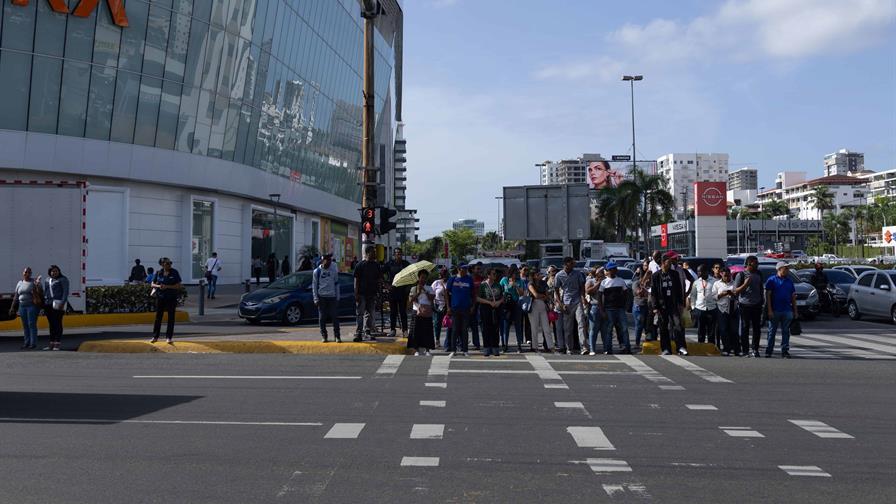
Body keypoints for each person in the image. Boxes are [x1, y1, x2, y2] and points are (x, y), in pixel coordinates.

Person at [650, 253, 688, 356]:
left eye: (670, 262)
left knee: (678, 326)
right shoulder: (656, 276)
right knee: (663, 327)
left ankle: (681, 347)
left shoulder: (674, 274)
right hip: (662, 306)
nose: (670, 264)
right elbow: (654, 293)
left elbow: (679, 289)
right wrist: (655, 307)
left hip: (673, 304)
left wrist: (681, 303)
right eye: (668, 262)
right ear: (662, 263)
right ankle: (666, 348)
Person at [555, 257, 589, 355]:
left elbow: (582, 287)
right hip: (566, 302)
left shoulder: (577, 273)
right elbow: (556, 290)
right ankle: (569, 347)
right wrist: (561, 304)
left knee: (581, 323)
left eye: (573, 264)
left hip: (577, 301)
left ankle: (584, 347)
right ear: (565, 265)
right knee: (568, 327)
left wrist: (583, 298)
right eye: (570, 264)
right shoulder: (559, 275)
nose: (572, 266)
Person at [733, 255, 764, 357]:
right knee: (745, 328)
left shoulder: (759, 274)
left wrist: (762, 301)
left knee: (757, 328)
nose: (757, 265)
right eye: (755, 263)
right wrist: (745, 285)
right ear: (749, 264)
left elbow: (760, 288)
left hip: (757, 305)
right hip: (744, 305)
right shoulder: (741, 275)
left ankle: (755, 349)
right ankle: (745, 350)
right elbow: (735, 291)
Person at [765, 262, 797, 359]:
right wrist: (769, 310)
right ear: (779, 269)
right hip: (775, 310)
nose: (787, 270)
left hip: (787, 310)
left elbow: (793, 296)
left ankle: (785, 351)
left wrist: (795, 311)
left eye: (787, 268)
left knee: (786, 332)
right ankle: (769, 350)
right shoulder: (771, 280)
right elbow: (768, 296)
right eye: (785, 268)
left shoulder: (789, 281)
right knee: (772, 332)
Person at [600, 262, 632, 354]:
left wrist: (626, 305)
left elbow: (626, 293)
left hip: (620, 308)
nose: (615, 270)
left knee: (624, 329)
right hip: (609, 309)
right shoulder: (604, 282)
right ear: (609, 271)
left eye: (616, 268)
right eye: (613, 269)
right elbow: (599, 295)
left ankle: (627, 348)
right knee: (609, 330)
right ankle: (608, 349)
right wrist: (602, 310)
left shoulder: (620, 280)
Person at [445, 264, 475, 356]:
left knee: (464, 329)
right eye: (463, 268)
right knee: (454, 329)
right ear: (458, 269)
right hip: (455, 308)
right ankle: (453, 350)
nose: (465, 270)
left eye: (466, 268)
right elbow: (446, 292)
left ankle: (465, 350)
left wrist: (473, 306)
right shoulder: (452, 279)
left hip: (466, 308)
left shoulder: (469, 279)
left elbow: (473, 294)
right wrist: (448, 307)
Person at [150, 258, 182, 344]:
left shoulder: (174, 272)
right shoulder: (158, 273)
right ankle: (155, 336)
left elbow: (178, 286)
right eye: (167, 263)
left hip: (171, 297)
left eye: (170, 263)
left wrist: (167, 286)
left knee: (171, 317)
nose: (169, 265)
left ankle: (169, 337)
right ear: (162, 264)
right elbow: (152, 284)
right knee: (158, 317)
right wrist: (158, 286)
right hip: (160, 297)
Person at [353, 246, 381, 342]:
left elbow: (378, 280)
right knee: (360, 313)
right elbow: (356, 280)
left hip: (372, 294)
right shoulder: (360, 265)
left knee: (370, 314)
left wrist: (379, 293)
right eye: (373, 252)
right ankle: (358, 333)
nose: (375, 254)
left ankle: (367, 332)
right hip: (361, 294)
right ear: (368, 253)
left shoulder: (376, 265)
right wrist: (356, 294)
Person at [313, 253, 341, 343]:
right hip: (322, 297)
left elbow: (337, 283)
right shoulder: (317, 272)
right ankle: (324, 336)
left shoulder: (333, 270)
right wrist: (315, 298)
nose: (329, 262)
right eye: (327, 260)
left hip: (332, 297)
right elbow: (314, 286)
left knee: (334, 317)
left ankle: (337, 336)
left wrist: (338, 297)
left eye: (330, 260)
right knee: (322, 318)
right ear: (322, 260)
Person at [688, 264, 718, 346]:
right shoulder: (696, 282)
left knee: (711, 331)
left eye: (700, 271)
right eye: (697, 271)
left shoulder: (714, 281)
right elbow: (693, 296)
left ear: (706, 271)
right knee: (701, 330)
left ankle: (711, 347)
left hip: (712, 308)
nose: (698, 273)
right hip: (700, 309)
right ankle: (700, 347)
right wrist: (693, 307)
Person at [477, 267, 504, 357]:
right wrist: (489, 302)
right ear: (488, 275)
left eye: (495, 274)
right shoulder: (483, 285)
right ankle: (487, 348)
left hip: (496, 309)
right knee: (486, 329)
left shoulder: (498, 285)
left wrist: (498, 302)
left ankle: (495, 348)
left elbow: (502, 296)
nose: (495, 275)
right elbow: (478, 298)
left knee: (495, 329)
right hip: (486, 308)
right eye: (493, 274)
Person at [408, 270, 436, 356]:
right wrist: (418, 292)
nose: (423, 279)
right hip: (416, 311)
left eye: (425, 277)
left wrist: (425, 290)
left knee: (427, 331)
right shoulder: (414, 288)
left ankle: (427, 350)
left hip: (426, 311)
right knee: (416, 331)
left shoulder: (429, 288)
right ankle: (416, 349)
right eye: (422, 277)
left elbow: (432, 298)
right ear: (419, 278)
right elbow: (411, 300)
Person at [384, 248, 411, 338]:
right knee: (393, 312)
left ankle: (405, 330)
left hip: (403, 292)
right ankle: (392, 330)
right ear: (394, 255)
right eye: (397, 253)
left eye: (400, 253)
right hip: (392, 291)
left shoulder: (405, 264)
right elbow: (380, 273)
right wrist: (386, 285)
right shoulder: (390, 264)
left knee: (403, 312)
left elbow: (411, 276)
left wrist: (408, 288)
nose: (398, 255)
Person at [42, 265, 69, 351]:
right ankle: (51, 343)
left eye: (56, 271)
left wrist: (63, 302)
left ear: (59, 271)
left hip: (58, 304)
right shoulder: (47, 280)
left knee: (57, 323)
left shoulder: (63, 279)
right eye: (52, 271)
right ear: (50, 272)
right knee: (51, 324)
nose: (54, 272)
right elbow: (45, 292)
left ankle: (57, 343)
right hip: (48, 304)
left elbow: (65, 292)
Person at [713, 267, 739, 356]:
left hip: (733, 308)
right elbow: (714, 297)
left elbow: (738, 294)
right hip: (722, 309)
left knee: (734, 330)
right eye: (725, 275)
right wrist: (723, 294)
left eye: (728, 275)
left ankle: (736, 349)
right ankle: (726, 348)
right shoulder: (717, 284)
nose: (727, 277)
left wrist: (732, 293)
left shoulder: (735, 283)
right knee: (723, 330)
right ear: (721, 274)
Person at [527, 270, 555, 352]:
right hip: (533, 305)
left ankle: (550, 346)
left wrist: (542, 296)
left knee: (546, 327)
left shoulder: (543, 283)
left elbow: (547, 295)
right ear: (534, 276)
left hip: (543, 305)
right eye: (538, 274)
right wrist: (542, 296)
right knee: (534, 327)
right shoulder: (530, 283)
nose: (540, 275)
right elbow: (535, 294)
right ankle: (534, 347)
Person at [499, 265, 525, 353]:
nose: (516, 275)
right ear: (510, 273)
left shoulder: (519, 281)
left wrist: (516, 286)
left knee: (518, 326)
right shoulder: (504, 280)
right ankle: (505, 345)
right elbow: (499, 291)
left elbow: (522, 294)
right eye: (514, 273)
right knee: (506, 326)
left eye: (517, 273)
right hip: (506, 305)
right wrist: (504, 295)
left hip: (516, 304)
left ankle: (519, 346)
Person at [12, 267, 39, 350]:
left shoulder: (33, 282)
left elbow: (39, 293)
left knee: (31, 324)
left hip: (32, 306)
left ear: (31, 274)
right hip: (22, 306)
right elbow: (16, 296)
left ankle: (33, 343)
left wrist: (37, 285)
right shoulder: (19, 283)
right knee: (25, 325)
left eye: (29, 272)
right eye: (25, 272)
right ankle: (26, 343)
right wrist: (12, 307)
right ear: (23, 273)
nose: (27, 274)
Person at [585, 268, 605, 355]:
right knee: (593, 329)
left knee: (605, 330)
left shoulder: (606, 281)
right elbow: (588, 291)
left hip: (606, 307)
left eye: (603, 273)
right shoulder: (591, 281)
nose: (602, 275)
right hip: (594, 307)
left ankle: (606, 348)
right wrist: (598, 283)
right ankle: (592, 349)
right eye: (600, 273)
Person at [469, 262, 486, 351]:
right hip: (471, 303)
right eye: (478, 269)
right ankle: (476, 343)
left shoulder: (483, 279)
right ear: (473, 270)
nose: (479, 270)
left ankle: (484, 343)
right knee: (472, 325)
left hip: (481, 303)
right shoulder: (469, 279)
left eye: (480, 269)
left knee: (482, 324)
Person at [431, 267, 449, 348]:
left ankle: (450, 341)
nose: (444, 275)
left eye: (445, 273)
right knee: (437, 323)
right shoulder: (436, 283)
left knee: (450, 323)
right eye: (443, 273)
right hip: (438, 305)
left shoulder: (449, 282)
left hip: (447, 305)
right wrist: (432, 305)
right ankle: (437, 340)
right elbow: (431, 294)